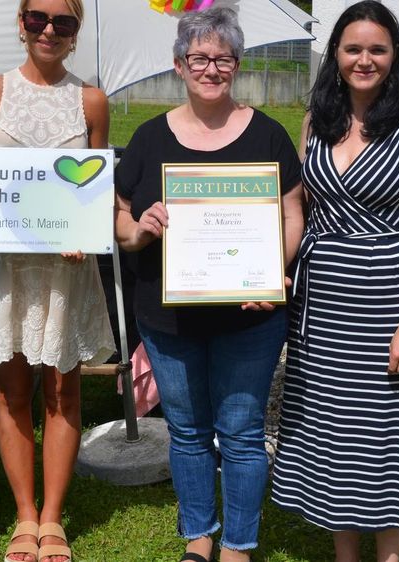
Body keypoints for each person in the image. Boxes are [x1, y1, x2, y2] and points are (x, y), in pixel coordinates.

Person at [113, 8, 304, 562]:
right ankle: (200, 534)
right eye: (199, 57)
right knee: (188, 430)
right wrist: (142, 229)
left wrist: (273, 271)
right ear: (179, 65)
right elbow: (121, 224)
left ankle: (239, 544)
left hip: (250, 313)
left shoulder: (268, 132)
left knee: (241, 431)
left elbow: (294, 214)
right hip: (169, 316)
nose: (211, 68)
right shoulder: (149, 137)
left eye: (223, 58)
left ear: (237, 65)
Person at [268, 2, 399, 561]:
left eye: (377, 49)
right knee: (331, 433)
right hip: (321, 308)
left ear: (393, 56)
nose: (364, 59)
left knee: (385, 438)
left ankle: (389, 555)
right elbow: (297, 212)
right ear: (337, 55)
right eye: (353, 49)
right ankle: (346, 554)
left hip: (389, 308)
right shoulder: (315, 121)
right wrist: (274, 270)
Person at [0, 0, 115, 561]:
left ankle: (52, 518)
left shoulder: (92, 101)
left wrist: (89, 228)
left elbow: (95, 190)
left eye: (63, 22)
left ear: (76, 33)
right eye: (37, 19)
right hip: (4, 269)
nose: (49, 29)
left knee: (63, 390)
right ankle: (23, 516)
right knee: (11, 391)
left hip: (65, 270)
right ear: (22, 24)